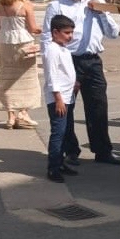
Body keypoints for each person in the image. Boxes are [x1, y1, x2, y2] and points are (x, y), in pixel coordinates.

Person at [41, 0, 120, 166]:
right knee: (65, 108)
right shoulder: (57, 5)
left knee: (98, 106)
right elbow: (46, 36)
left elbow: (114, 33)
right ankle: (70, 149)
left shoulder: (96, 1)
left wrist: (101, 13)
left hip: (92, 61)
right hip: (68, 59)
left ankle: (102, 150)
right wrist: (52, 60)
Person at [0, 0, 41, 129]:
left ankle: (10, 117)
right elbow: (33, 28)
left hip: (6, 45)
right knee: (27, 80)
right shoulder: (25, 5)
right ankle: (23, 112)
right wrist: (47, 29)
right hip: (24, 44)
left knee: (7, 80)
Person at [42, 15, 79, 183]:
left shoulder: (63, 48)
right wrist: (58, 98)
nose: (70, 36)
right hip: (59, 98)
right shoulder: (52, 50)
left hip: (67, 96)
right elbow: (52, 76)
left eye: (71, 32)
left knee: (65, 132)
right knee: (58, 132)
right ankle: (53, 167)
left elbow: (66, 70)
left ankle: (61, 162)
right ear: (55, 32)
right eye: (66, 33)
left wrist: (74, 82)